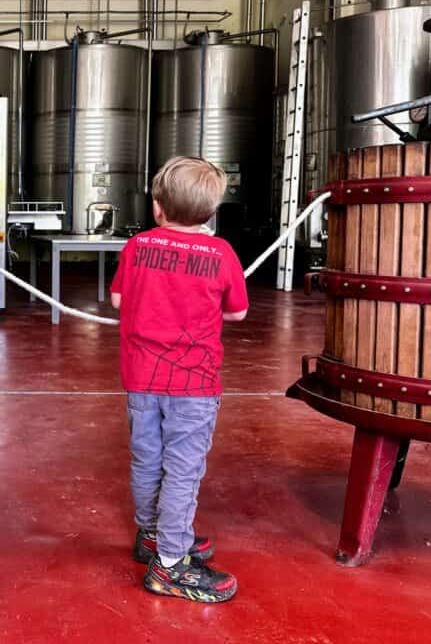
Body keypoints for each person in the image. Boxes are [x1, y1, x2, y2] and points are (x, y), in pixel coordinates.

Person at [109, 156, 248, 603]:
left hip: (141, 379)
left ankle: (152, 537)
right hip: (193, 385)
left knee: (147, 460)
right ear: (210, 212)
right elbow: (238, 312)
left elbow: (116, 299)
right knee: (182, 471)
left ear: (157, 208)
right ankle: (170, 565)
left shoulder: (137, 246)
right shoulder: (222, 253)